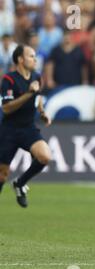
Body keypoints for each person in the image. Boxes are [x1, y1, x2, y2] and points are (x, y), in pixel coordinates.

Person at [0, 44, 52, 208]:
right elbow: (7, 108)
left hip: (28, 128)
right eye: (31, 56)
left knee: (44, 156)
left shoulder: (36, 76)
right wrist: (28, 93)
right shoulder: (8, 79)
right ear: (20, 60)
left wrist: (43, 112)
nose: (35, 59)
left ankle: (20, 183)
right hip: (9, 130)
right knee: (2, 175)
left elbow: (38, 96)